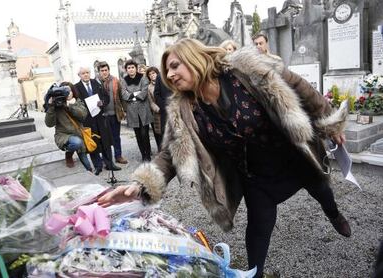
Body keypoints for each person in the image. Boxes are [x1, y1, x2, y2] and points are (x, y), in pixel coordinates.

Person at [97, 38, 350, 277]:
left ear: (194, 57)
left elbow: (299, 87)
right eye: (167, 73)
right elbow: (171, 153)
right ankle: (254, 274)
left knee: (321, 189)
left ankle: (334, 214)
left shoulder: (245, 70)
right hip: (254, 173)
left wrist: (330, 121)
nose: (171, 75)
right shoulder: (183, 110)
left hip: (290, 155)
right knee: (259, 225)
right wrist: (141, 185)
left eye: (175, 66)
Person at [74, 67, 120, 175]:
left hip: (100, 117)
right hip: (88, 119)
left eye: (87, 73)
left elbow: (106, 97)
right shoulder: (76, 87)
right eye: (83, 73)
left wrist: (102, 103)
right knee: (93, 142)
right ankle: (98, 165)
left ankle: (109, 164)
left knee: (105, 141)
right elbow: (77, 103)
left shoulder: (96, 83)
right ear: (79, 75)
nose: (86, 75)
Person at [44, 82, 92, 171]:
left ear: (73, 92)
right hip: (64, 135)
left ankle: (91, 174)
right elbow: (49, 124)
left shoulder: (76, 102)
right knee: (77, 142)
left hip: (78, 134)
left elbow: (83, 115)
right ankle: (69, 154)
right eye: (65, 91)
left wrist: (70, 106)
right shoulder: (56, 105)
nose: (68, 93)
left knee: (86, 163)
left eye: (70, 91)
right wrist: (51, 106)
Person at [121, 59, 153, 162]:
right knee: (138, 135)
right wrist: (135, 94)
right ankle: (142, 155)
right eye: (129, 68)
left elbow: (144, 92)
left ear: (136, 68)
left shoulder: (143, 78)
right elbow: (124, 94)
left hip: (144, 110)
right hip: (132, 112)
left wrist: (132, 96)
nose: (131, 69)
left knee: (145, 133)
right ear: (126, 69)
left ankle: (148, 155)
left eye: (132, 67)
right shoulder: (124, 80)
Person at [97, 61, 128, 164]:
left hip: (114, 113)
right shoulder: (96, 82)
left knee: (116, 136)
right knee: (103, 138)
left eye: (106, 70)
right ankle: (106, 158)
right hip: (102, 115)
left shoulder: (115, 80)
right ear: (99, 72)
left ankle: (118, 156)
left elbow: (121, 96)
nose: (104, 72)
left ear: (108, 70)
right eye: (102, 70)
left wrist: (125, 110)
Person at [146, 66, 163, 151]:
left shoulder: (164, 83)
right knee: (159, 134)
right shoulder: (149, 87)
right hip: (158, 113)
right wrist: (158, 109)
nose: (152, 75)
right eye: (150, 74)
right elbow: (151, 102)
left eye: (153, 73)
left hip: (167, 111)